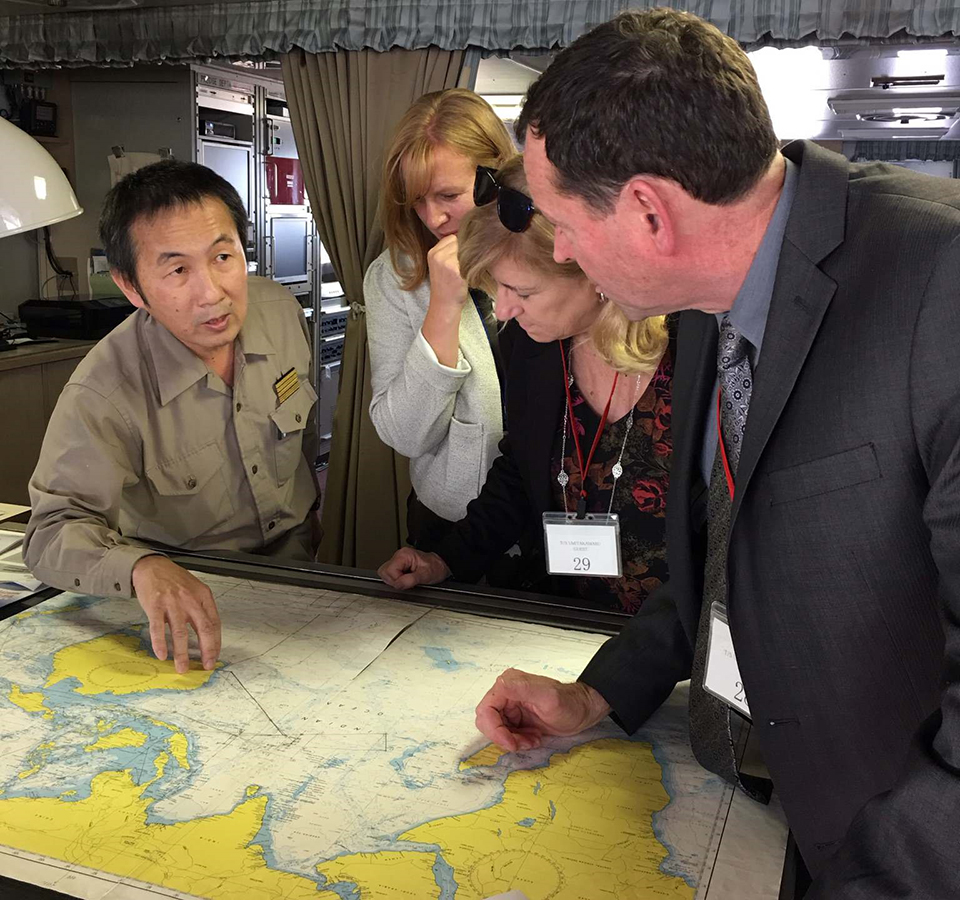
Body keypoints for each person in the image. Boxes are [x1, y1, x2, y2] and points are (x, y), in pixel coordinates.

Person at [472, 9, 960, 900]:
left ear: (651, 211)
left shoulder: (942, 290)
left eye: (562, 222)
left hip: (880, 839)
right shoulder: (707, 290)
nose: (563, 250)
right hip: (752, 796)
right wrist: (602, 695)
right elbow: (724, 549)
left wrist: (882, 880)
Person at [24, 160, 320, 676]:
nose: (212, 293)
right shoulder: (105, 390)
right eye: (178, 270)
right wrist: (140, 566)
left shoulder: (279, 311)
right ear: (132, 288)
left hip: (305, 577)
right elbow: (51, 532)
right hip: (187, 595)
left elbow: (307, 441)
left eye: (223, 256)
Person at [379, 155, 672, 612]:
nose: (504, 311)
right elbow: (520, 470)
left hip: (677, 637)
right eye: (499, 288)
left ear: (594, 270)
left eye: (524, 291)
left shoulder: (691, 352)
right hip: (563, 616)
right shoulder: (533, 346)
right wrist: (446, 559)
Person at [365, 89, 514, 549]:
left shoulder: (546, 254)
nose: (434, 217)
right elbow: (406, 435)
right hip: (452, 512)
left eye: (449, 195)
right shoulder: (394, 277)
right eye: (416, 200)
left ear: (494, 179)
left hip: (550, 505)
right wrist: (443, 307)